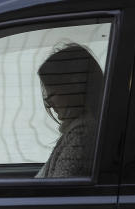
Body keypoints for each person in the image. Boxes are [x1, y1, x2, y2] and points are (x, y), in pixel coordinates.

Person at [36, 44, 104, 178]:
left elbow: (58, 189)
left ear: (72, 89)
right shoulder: (81, 128)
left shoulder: (82, 134)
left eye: (52, 95)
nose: (49, 104)